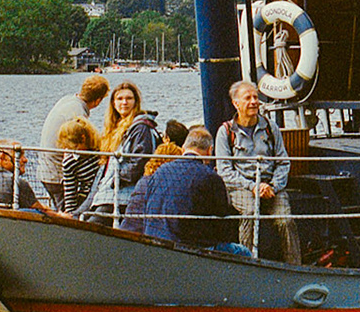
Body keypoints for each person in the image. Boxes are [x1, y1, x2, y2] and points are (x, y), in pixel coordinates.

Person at [214, 80, 301, 264]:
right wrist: (253, 187)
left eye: (256, 97)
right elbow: (224, 171)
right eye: (248, 98)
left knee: (285, 220)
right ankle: (246, 263)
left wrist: (273, 186)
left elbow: (283, 161)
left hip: (271, 187)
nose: (254, 101)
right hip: (241, 187)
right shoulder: (225, 132)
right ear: (236, 103)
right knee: (250, 212)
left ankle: (295, 265)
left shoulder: (270, 127)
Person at [123, 126, 246, 253]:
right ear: (210, 151)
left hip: (156, 242)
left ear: (183, 149)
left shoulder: (159, 172)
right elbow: (221, 220)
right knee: (243, 252)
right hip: (191, 247)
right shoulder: (210, 177)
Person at [86, 80, 157, 221]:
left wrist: (116, 180)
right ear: (113, 103)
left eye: (129, 98)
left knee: (92, 224)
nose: (124, 102)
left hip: (123, 197)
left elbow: (139, 163)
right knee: (80, 217)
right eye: (120, 99)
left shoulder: (140, 128)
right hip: (105, 194)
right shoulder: (113, 129)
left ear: (135, 102)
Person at [39, 73, 110, 209]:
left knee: (62, 210)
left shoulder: (67, 100)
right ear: (98, 100)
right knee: (68, 212)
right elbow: (82, 146)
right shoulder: (78, 115)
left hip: (45, 170)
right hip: (58, 174)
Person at [56, 117, 102, 209]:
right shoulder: (69, 163)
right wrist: (70, 212)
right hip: (86, 197)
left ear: (83, 139)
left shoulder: (100, 150)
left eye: (75, 147)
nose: (73, 151)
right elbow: (70, 192)